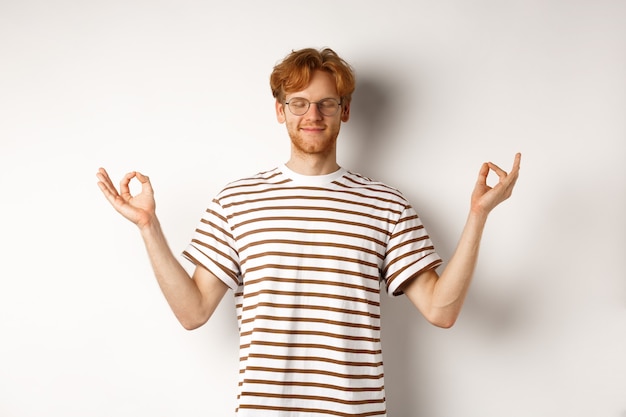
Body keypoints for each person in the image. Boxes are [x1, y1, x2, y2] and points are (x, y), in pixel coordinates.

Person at [96, 47, 521, 417]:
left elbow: (441, 310)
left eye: (326, 103)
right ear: (280, 111)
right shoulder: (236, 201)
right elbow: (193, 312)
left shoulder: (386, 204)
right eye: (298, 103)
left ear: (345, 110)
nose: (312, 115)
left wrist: (478, 214)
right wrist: (148, 226)